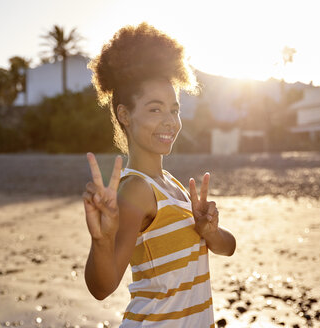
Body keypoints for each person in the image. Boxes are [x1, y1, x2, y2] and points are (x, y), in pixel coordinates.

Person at [82, 22, 236, 327]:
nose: (170, 122)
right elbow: (102, 287)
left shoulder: (173, 185)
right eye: (155, 110)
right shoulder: (137, 190)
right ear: (124, 115)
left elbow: (227, 247)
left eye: (174, 110)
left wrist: (211, 231)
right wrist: (101, 239)